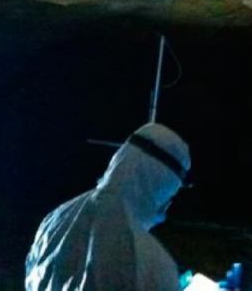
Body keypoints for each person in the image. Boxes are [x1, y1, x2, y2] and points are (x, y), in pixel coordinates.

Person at [25, 122, 191, 291]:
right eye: (171, 195)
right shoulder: (152, 263)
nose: (167, 207)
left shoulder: (55, 219)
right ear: (162, 185)